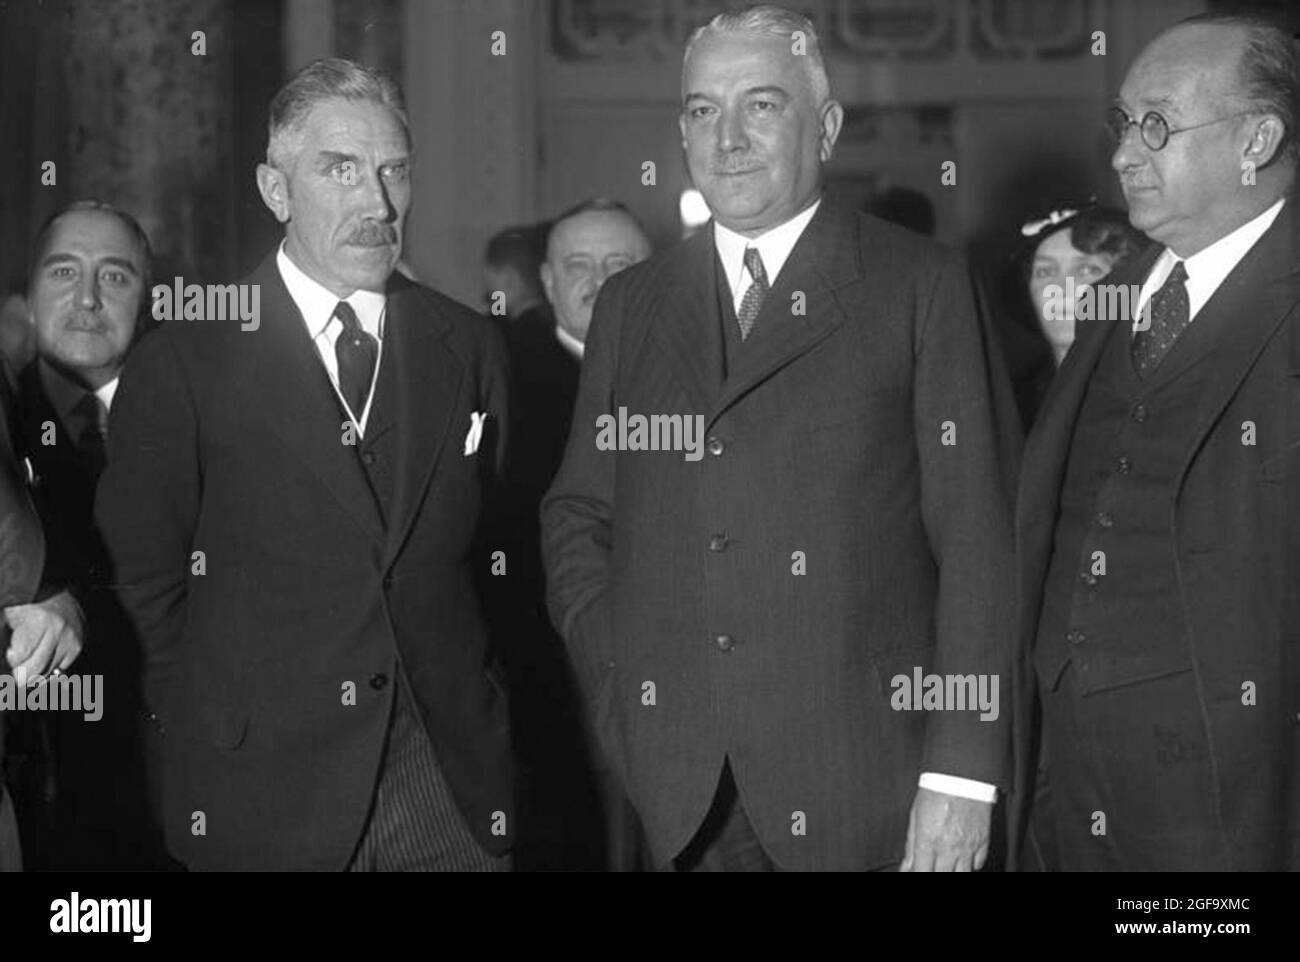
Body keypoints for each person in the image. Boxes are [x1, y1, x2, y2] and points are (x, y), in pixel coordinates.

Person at [542, 4, 1019, 872]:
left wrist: (962, 774)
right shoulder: (632, 306)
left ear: (827, 127)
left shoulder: (922, 286)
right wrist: (620, 681)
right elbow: (580, 513)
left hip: (870, 785)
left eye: (761, 105)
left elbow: (981, 540)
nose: (726, 138)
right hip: (684, 794)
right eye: (700, 110)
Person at [95, 57, 514, 871]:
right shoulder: (185, 361)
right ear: (275, 190)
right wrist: (225, 722)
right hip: (263, 799)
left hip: (447, 790)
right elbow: (144, 584)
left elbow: (497, 552)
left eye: (395, 169)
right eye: (341, 170)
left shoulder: (469, 345)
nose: (377, 202)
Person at [1013, 12, 1300, 871]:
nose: (1123, 156)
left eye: (1158, 125)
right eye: (1122, 124)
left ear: (1258, 137)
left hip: (1236, 790)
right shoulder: (1122, 285)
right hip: (1070, 772)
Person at [14, 200, 164, 868]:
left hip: (181, 806)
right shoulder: (4, 421)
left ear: (150, 302)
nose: (87, 298)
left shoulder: (202, 424)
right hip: (34, 794)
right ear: (26, 297)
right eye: (63, 272)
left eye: (115, 277)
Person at [1008, 205, 1147, 428]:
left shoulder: (1154, 394)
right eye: (1045, 272)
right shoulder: (1011, 403)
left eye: (1086, 271)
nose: (1061, 288)